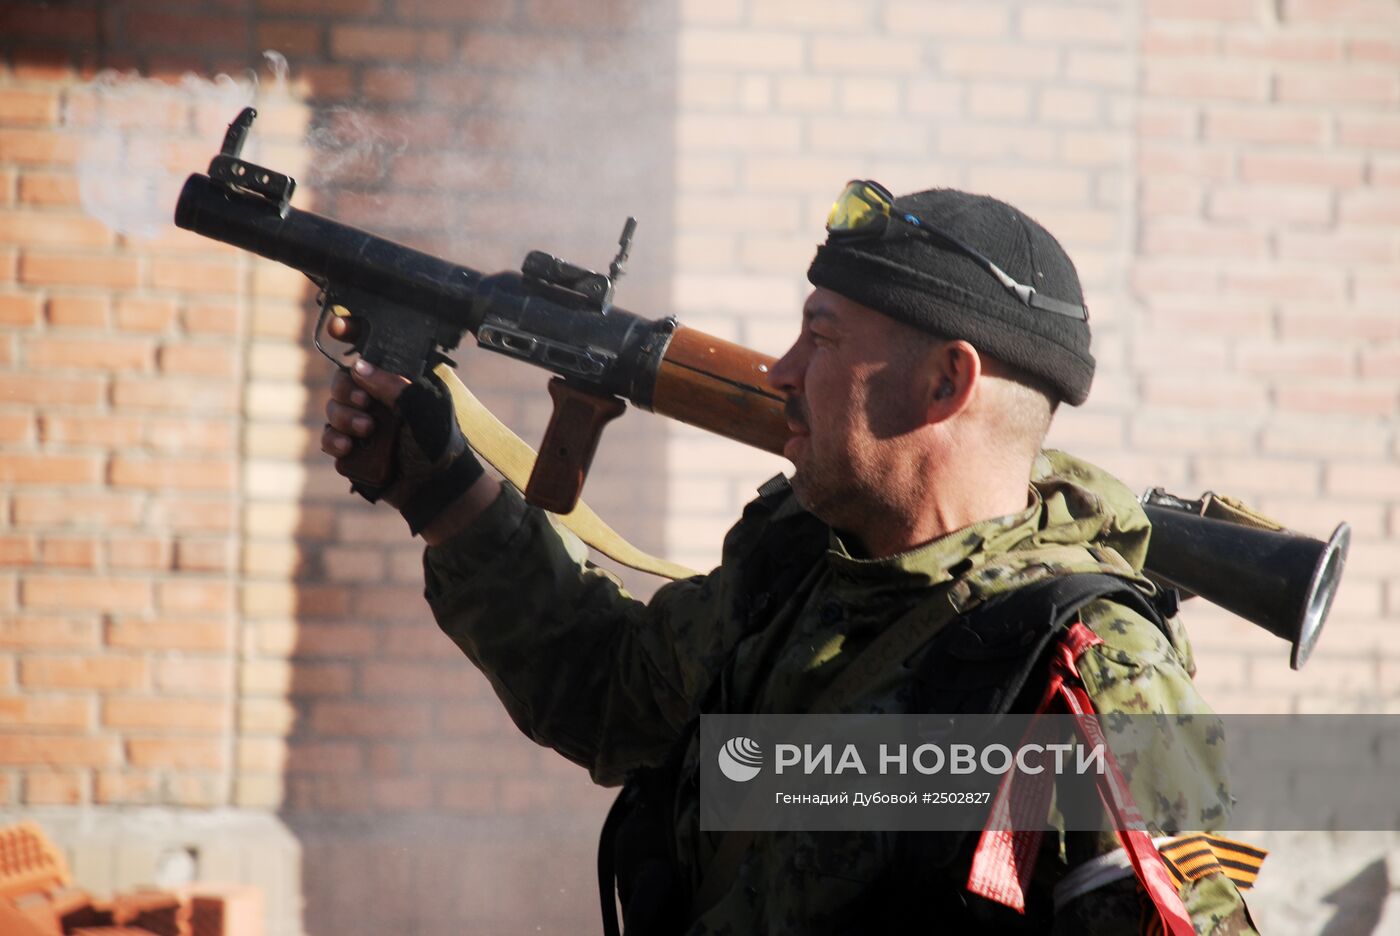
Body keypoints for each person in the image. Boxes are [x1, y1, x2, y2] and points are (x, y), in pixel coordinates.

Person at [320, 182, 1258, 934]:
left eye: (821, 338)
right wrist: (442, 492)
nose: (779, 371)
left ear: (945, 382)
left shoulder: (1094, 681)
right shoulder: (802, 562)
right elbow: (607, 695)